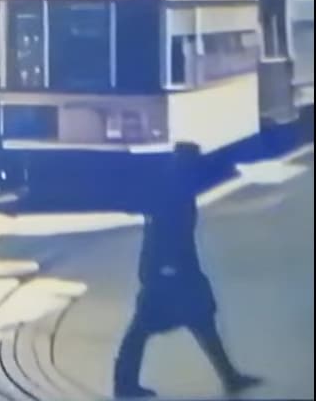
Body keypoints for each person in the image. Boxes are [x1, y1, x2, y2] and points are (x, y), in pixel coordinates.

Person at [111, 143, 262, 399]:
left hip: (178, 268)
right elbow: (162, 233)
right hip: (169, 271)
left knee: (201, 321)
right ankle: (124, 384)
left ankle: (229, 377)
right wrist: (165, 269)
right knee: (144, 328)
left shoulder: (174, 186)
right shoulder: (172, 192)